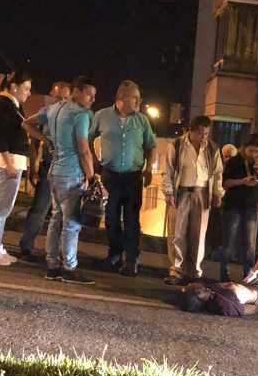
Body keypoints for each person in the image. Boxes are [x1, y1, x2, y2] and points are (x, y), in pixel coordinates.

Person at [23, 76, 96, 284]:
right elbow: (84, 150)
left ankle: (52, 265)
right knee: (71, 223)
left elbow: (26, 123)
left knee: (56, 219)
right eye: (89, 94)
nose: (92, 99)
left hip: (54, 172)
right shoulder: (80, 115)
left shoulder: (53, 109)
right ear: (77, 91)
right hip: (71, 173)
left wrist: (45, 139)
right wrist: (91, 177)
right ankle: (69, 268)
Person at [90, 80, 156, 276]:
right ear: (122, 98)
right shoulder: (102, 115)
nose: (139, 101)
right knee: (110, 217)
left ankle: (131, 259)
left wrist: (149, 169)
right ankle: (114, 254)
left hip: (133, 176)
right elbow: (88, 137)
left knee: (132, 219)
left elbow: (150, 145)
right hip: (110, 175)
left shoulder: (142, 120)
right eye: (135, 97)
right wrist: (94, 161)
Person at [0, 70, 34, 266]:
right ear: (14, 87)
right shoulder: (4, 105)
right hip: (8, 161)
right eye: (26, 88)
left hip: (13, 160)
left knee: (5, 208)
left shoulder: (12, 104)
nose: (28, 93)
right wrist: (9, 162)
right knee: (1, 208)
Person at [162, 116, 224, 284]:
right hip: (181, 191)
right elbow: (167, 170)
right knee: (177, 233)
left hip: (202, 193)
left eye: (206, 134)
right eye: (200, 134)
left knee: (199, 234)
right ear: (191, 130)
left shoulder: (212, 148)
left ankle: (194, 272)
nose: (203, 137)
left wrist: (218, 193)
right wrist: (168, 192)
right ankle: (176, 270)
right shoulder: (176, 145)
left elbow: (218, 173)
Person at [19, 81, 72, 260]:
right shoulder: (47, 112)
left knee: (63, 213)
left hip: (68, 169)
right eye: (58, 97)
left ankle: (58, 252)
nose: (62, 101)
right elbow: (27, 126)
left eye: (66, 97)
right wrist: (44, 140)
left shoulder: (74, 114)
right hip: (48, 166)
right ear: (51, 96)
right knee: (40, 208)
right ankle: (26, 246)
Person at [219, 133, 258, 281]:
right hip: (233, 205)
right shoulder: (234, 161)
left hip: (251, 206)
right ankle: (224, 275)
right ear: (244, 148)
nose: (253, 154)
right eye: (251, 151)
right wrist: (242, 181)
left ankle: (248, 276)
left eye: (257, 152)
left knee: (250, 245)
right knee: (229, 242)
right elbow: (225, 182)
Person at [179, 280, 258, 317]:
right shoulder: (224, 304)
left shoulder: (208, 290)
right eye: (191, 286)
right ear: (198, 293)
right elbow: (256, 310)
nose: (191, 284)